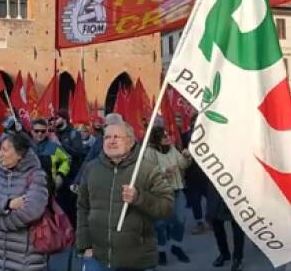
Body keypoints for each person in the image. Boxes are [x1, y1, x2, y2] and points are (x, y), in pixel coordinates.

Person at [76, 121, 173, 271]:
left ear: (130, 141)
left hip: (136, 260)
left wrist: (139, 198)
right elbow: (82, 208)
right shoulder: (91, 168)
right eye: (107, 137)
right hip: (97, 258)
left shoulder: (148, 170)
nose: (111, 141)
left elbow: (167, 207)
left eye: (117, 137)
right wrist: (84, 246)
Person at [0, 132, 49, 271]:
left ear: (19, 154)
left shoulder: (36, 175)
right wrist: (7, 204)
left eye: (5, 150)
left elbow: (31, 211)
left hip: (25, 259)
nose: (0, 155)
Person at [145, 126, 192, 265]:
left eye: (168, 135)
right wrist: (164, 171)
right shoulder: (150, 152)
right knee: (160, 224)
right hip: (160, 192)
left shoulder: (172, 148)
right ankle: (161, 251)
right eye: (164, 136)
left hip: (176, 190)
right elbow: (148, 171)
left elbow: (183, 165)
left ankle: (176, 246)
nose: (167, 138)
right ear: (157, 139)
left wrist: (186, 158)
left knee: (180, 220)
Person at [52, 109, 85, 227]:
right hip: (58, 176)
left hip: (71, 176)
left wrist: (61, 145)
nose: (54, 121)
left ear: (64, 119)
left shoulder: (73, 134)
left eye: (57, 118)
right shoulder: (54, 134)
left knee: (71, 209)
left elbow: (78, 153)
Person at [206, 179, 244, 271]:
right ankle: (224, 253)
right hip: (216, 186)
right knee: (216, 223)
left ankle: (237, 258)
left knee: (237, 224)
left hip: (235, 185)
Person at [30, 118, 70, 194]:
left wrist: (60, 174)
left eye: (43, 131)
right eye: (36, 131)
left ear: (46, 131)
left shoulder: (54, 147)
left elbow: (67, 159)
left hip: (49, 189)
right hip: (29, 190)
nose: (40, 133)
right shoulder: (25, 148)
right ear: (32, 131)